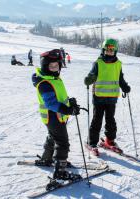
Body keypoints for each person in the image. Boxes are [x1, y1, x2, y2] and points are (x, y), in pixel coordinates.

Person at [31, 49, 81, 181]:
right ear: (44, 66)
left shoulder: (53, 78)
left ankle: (47, 159)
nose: (54, 68)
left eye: (56, 65)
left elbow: (59, 96)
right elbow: (51, 103)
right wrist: (69, 110)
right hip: (53, 116)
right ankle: (59, 173)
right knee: (62, 142)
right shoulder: (44, 83)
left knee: (53, 136)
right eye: (51, 66)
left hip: (55, 116)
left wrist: (70, 103)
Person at [84, 38, 131, 156]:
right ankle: (92, 142)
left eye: (112, 50)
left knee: (111, 120)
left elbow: (120, 78)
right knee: (97, 120)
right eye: (107, 49)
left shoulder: (118, 64)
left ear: (115, 51)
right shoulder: (98, 63)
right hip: (99, 97)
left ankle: (109, 140)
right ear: (103, 50)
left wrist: (125, 86)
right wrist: (89, 79)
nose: (109, 51)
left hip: (112, 98)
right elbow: (91, 76)